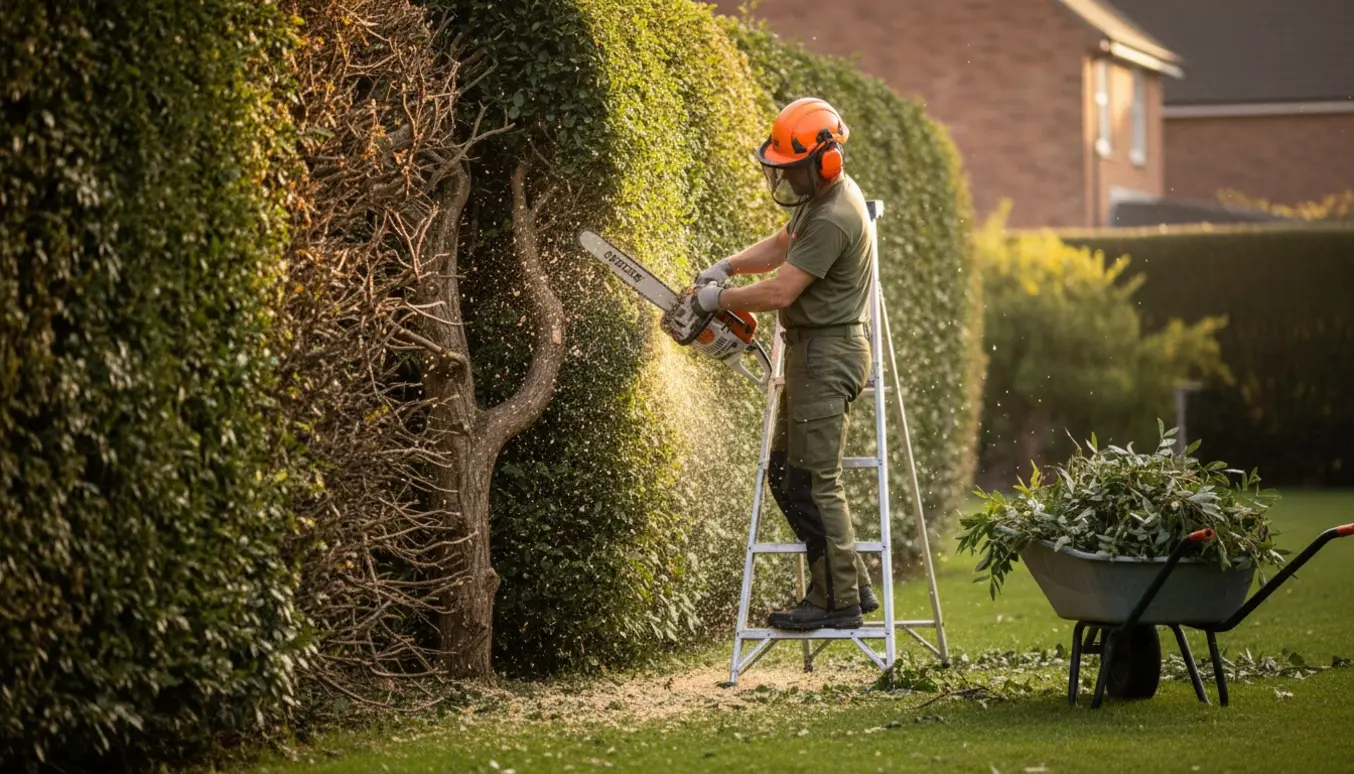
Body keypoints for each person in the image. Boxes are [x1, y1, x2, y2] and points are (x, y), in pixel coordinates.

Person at [688, 97, 877, 631]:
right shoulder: (820, 198)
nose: (787, 178)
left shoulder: (836, 213)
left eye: (794, 168)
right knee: (787, 477)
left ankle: (836, 602)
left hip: (827, 352)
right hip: (811, 353)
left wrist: (717, 301)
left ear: (827, 160)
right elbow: (781, 244)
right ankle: (849, 585)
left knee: (815, 481)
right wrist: (726, 266)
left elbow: (781, 290)